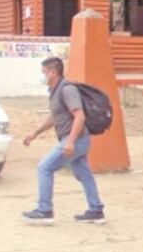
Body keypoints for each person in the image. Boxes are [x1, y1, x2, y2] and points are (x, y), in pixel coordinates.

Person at [21, 57, 105, 224]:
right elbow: (55, 117)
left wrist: (70, 142)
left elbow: (79, 116)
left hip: (76, 139)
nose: (42, 76)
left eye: (43, 72)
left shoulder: (67, 90)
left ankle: (44, 210)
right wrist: (35, 133)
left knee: (45, 167)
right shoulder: (56, 91)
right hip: (77, 140)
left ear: (53, 73)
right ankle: (96, 210)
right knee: (83, 174)